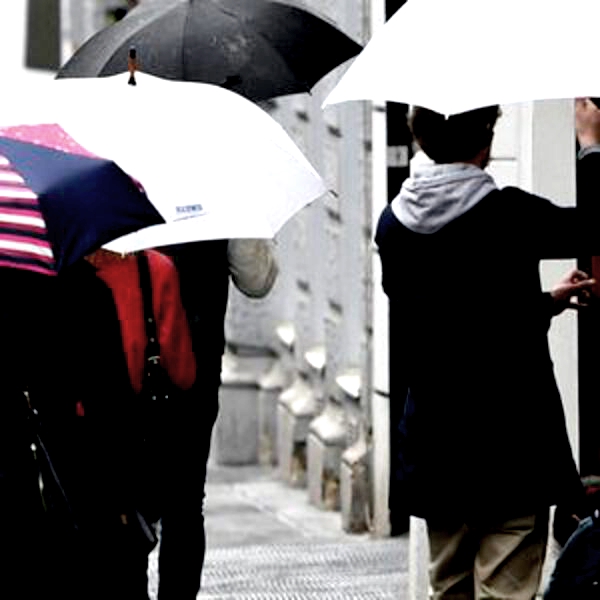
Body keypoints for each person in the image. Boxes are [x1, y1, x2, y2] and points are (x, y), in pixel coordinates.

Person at [375, 102, 600, 600]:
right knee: (506, 592)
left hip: (437, 445)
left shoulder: (392, 226)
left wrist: (545, 301)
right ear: (486, 140)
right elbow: (593, 226)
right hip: (509, 445)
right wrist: (590, 146)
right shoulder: (508, 214)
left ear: (420, 138)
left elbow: (449, 323)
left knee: (448, 589)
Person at [156, 238, 278, 600]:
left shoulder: (115, 199)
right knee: (184, 503)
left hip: (129, 370)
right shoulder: (221, 203)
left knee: (127, 504)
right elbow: (258, 279)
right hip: (195, 367)